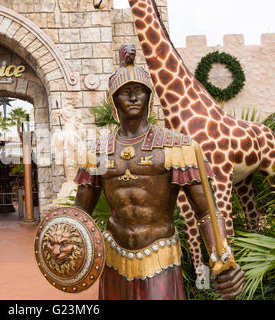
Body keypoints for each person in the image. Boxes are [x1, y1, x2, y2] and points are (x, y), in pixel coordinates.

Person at [73, 45, 245, 300]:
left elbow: (206, 210)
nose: (133, 98)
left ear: (149, 97)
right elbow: (80, 214)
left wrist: (222, 255)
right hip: (113, 256)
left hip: (159, 256)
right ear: (114, 100)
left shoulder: (177, 147)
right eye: (125, 92)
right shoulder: (97, 151)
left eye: (139, 91)